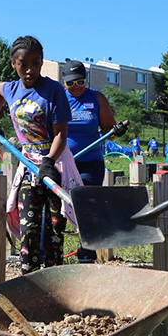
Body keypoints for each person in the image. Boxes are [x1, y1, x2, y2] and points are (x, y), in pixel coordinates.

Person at [0, 37, 76, 274]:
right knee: (29, 226)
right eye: (23, 64)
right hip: (28, 165)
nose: (30, 70)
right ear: (13, 64)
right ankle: (28, 277)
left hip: (55, 164)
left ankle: (54, 277)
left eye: (36, 63)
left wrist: (49, 161)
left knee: (55, 227)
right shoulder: (11, 88)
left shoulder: (54, 91)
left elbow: (61, 135)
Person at [61, 59, 118, 263]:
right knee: (59, 207)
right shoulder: (59, 98)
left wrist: (114, 131)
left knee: (87, 206)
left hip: (91, 161)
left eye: (80, 82)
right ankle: (53, 253)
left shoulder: (96, 98)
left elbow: (108, 130)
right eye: (71, 83)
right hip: (65, 162)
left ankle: (86, 255)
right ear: (63, 81)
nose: (76, 87)